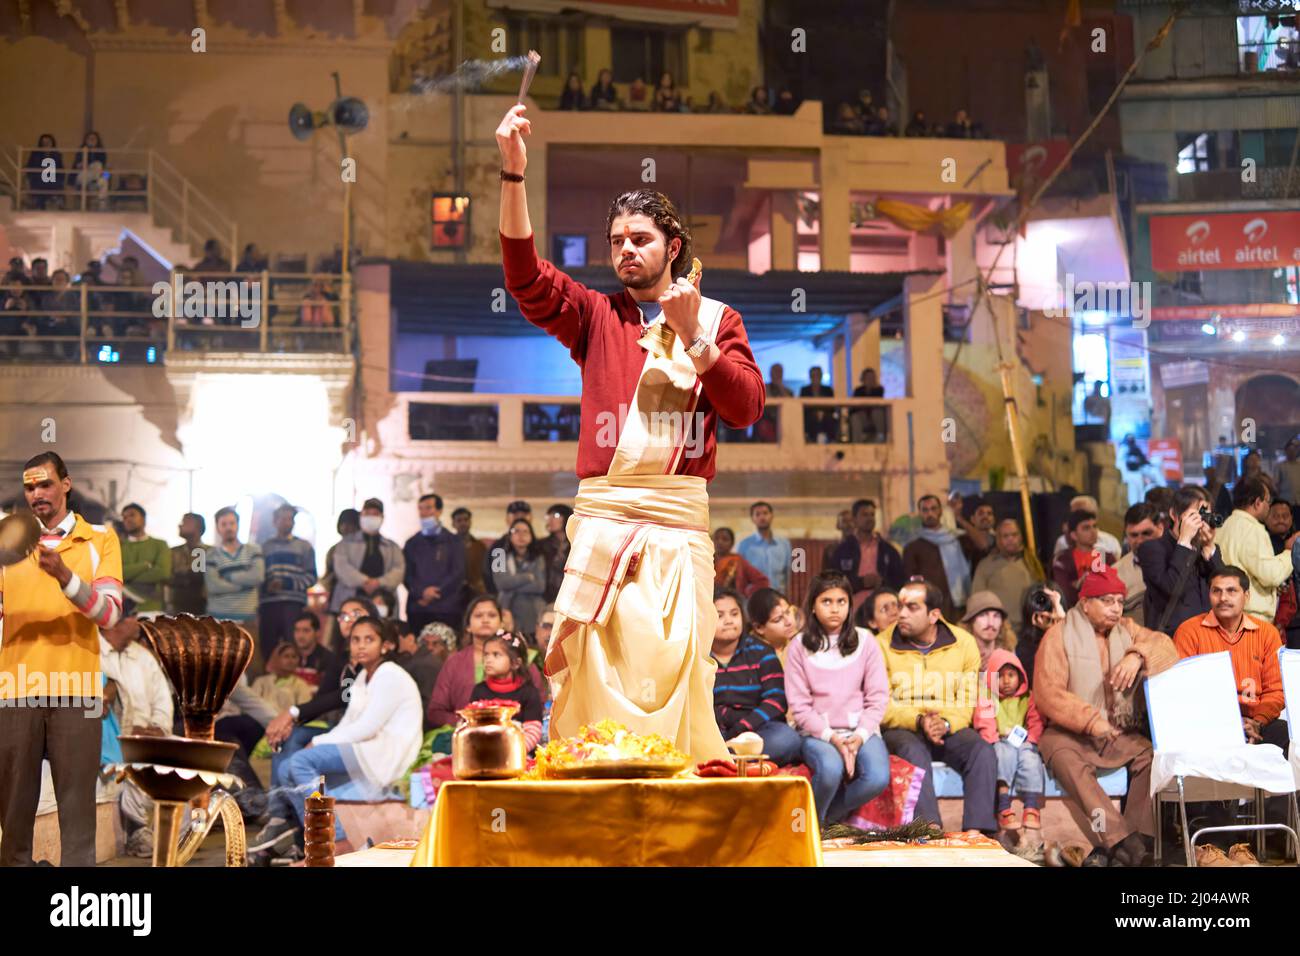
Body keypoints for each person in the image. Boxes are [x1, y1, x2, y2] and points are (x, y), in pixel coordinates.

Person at [497, 101, 764, 761]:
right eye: (616, 241)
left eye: (638, 239)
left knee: (674, 672)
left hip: (677, 530)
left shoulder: (717, 319)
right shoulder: (595, 315)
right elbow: (524, 278)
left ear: (673, 247)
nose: (624, 251)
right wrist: (512, 176)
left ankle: (674, 820)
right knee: (592, 674)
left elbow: (747, 406)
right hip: (603, 524)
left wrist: (696, 339)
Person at [0, 452, 123, 866]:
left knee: (78, 819)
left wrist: (66, 578)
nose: (37, 494)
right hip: (15, 690)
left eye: (45, 484)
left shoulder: (99, 539)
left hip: (78, 690)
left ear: (66, 484)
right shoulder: (7, 543)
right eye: (30, 487)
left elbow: (109, 613)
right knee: (13, 818)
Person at [1033, 566, 1176, 866]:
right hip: (1068, 733)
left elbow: (1166, 647)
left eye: (1120, 601)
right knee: (1065, 759)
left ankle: (1138, 841)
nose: (1115, 608)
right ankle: (1123, 842)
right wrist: (1089, 719)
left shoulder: (1127, 630)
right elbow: (1049, 694)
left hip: (1115, 732)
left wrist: (1137, 655)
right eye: (1107, 601)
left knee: (1148, 756)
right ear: (1085, 603)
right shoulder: (1058, 636)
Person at [251, 616, 422, 859]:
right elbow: (349, 722)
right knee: (287, 767)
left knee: (300, 762)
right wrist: (321, 742)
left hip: (383, 751)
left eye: (369, 640)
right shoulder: (363, 676)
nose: (361, 645)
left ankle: (337, 841)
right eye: (356, 640)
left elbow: (367, 727)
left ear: (386, 645)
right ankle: (314, 842)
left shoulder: (389, 674)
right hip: (365, 747)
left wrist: (319, 742)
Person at [877, 579, 996, 834]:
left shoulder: (963, 643)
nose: (902, 614)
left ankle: (977, 835)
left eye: (911, 607)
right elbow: (881, 704)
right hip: (903, 726)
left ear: (934, 615)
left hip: (947, 725)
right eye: (900, 606)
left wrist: (945, 723)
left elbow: (966, 701)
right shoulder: (881, 645)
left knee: (982, 751)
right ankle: (929, 832)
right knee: (912, 749)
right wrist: (919, 720)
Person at [785, 572, 892, 824]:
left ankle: (820, 822)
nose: (835, 609)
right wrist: (832, 738)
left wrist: (860, 737)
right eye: (826, 601)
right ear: (813, 605)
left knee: (877, 777)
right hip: (819, 733)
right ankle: (811, 830)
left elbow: (877, 697)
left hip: (861, 731)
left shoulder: (866, 641)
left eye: (841, 602)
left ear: (850, 605)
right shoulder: (799, 646)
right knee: (831, 770)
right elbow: (800, 706)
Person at [1173, 567, 1286, 752]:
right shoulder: (1189, 631)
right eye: (1216, 591)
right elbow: (1183, 691)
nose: (1223, 598)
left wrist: (1257, 722)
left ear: (1247, 596)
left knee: (1286, 735)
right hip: (1208, 722)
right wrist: (1226, 724)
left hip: (1257, 719)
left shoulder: (1267, 633)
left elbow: (1275, 691)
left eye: (1231, 591)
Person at [263, 597, 376, 777]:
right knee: (290, 736)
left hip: (364, 732)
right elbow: (323, 697)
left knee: (297, 753)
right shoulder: (340, 658)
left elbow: (345, 695)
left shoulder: (375, 659)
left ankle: (289, 801)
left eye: (356, 613)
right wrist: (290, 722)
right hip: (339, 727)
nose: (349, 620)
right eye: (343, 616)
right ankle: (277, 803)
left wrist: (293, 712)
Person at [99, 615, 173, 858]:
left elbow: (163, 699)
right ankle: (139, 832)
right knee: (135, 766)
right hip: (116, 737)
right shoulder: (91, 652)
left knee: (186, 761)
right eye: (132, 616)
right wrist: (129, 731)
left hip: (151, 735)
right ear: (117, 622)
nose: (138, 621)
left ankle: (178, 837)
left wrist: (159, 728)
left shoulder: (143, 656)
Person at [709, 589, 801, 764]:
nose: (729, 621)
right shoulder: (699, 657)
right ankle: (728, 756)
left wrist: (743, 726)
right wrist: (724, 718)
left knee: (787, 739)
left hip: (757, 729)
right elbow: (695, 703)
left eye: (734, 614)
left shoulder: (761, 652)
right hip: (715, 730)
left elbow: (776, 700)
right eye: (719, 616)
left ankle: (724, 758)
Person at [426, 595, 544, 727]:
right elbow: (435, 711)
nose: (485, 620)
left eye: (492, 615)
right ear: (468, 626)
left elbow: (539, 706)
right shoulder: (454, 662)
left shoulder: (522, 661)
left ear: (501, 624)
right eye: (478, 615)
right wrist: (466, 724)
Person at [973, 649, 1044, 840]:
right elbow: (984, 720)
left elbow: (1035, 720)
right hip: (999, 740)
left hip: (1023, 740)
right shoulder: (987, 697)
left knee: (1030, 757)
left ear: (1020, 676)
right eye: (1000, 676)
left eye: (1011, 675)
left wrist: (1031, 738)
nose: (1006, 681)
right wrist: (992, 739)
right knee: (1002, 755)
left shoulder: (1027, 697)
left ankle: (1031, 805)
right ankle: (1003, 807)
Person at [1139, 486, 1225, 634]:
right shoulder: (1152, 549)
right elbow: (1171, 589)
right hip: (1172, 640)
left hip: (1208, 637)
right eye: (1195, 515)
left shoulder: (1204, 550)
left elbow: (1224, 586)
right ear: (1174, 514)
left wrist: (1209, 547)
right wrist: (1184, 541)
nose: (1200, 522)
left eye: (1205, 515)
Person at [1215, 475, 1296, 624]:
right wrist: (1289, 551)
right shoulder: (1252, 529)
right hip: (1251, 617)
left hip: (1228, 613)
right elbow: (1270, 575)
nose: (1268, 506)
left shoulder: (1224, 527)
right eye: (1268, 501)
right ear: (1258, 502)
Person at [258, 503, 317, 659]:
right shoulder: (265, 547)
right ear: (274, 522)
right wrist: (267, 586)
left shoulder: (304, 547)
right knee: (268, 646)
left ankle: (294, 680)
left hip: (294, 604)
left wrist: (287, 583)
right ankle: (269, 680)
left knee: (293, 645)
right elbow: (258, 576)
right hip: (269, 604)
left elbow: (311, 577)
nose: (287, 522)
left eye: (290, 519)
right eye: (283, 518)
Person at [469, 632, 544, 751]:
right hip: (483, 753)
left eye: (496, 655)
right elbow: (470, 726)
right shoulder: (479, 691)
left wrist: (514, 752)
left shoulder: (529, 692)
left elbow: (533, 730)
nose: (488, 660)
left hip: (518, 756)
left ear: (515, 663)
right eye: (486, 655)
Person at [902, 493, 973, 619]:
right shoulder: (913, 547)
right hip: (932, 607)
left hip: (960, 604)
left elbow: (982, 546)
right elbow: (910, 581)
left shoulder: (957, 539)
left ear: (940, 511)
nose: (930, 513)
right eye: (925, 510)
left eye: (933, 508)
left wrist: (959, 517)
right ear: (920, 513)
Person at [403, 492, 466, 633]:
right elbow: (407, 575)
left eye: (428, 508)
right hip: (419, 608)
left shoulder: (454, 542)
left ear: (439, 511)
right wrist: (421, 593)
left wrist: (437, 592)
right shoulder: (412, 544)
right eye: (421, 508)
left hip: (447, 608)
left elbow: (458, 572)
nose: (424, 513)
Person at [330, 498, 404, 615]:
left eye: (375, 514)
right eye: (367, 514)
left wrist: (379, 582)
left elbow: (399, 570)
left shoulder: (392, 547)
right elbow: (341, 567)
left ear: (382, 517)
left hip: (383, 602)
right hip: (350, 599)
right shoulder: (345, 544)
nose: (371, 517)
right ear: (361, 516)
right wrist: (364, 581)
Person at [828, 498, 905, 607]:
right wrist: (861, 583)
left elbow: (899, 581)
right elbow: (833, 584)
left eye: (872, 515)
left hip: (883, 609)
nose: (869, 518)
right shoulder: (842, 551)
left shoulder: (888, 550)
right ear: (854, 519)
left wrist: (882, 583)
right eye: (865, 515)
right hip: (851, 610)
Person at [204, 507, 264, 636]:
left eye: (232, 523)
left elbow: (258, 577)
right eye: (224, 524)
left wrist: (228, 576)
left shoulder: (253, 550)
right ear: (217, 527)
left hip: (247, 619)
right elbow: (213, 586)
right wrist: (245, 584)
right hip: (218, 620)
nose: (228, 528)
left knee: (251, 655)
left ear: (238, 525)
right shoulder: (210, 555)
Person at [970, 517, 1036, 632]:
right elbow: (977, 601)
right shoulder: (986, 565)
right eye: (1005, 536)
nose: (1010, 539)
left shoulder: (1032, 562)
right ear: (998, 539)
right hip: (1000, 631)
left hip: (1030, 630)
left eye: (1014, 535)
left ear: (1021, 537)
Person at [1051, 509, 1117, 608]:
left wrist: (1077, 585)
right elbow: (1064, 594)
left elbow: (1114, 589)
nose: (1093, 531)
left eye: (1095, 526)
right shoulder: (1063, 560)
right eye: (1086, 528)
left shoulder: (1106, 557)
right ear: (1074, 535)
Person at [493, 519, 547, 638]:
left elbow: (539, 586)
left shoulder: (538, 557)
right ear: (509, 535)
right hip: (507, 609)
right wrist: (527, 577)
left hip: (532, 612)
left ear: (532, 536)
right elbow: (500, 583)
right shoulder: (498, 555)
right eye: (516, 531)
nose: (521, 535)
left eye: (525, 532)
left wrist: (511, 583)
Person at [118, 502, 171, 613]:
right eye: (124, 517)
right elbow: (117, 574)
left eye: (132, 515)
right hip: (124, 612)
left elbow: (163, 572)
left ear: (143, 519)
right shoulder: (118, 546)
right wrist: (144, 566)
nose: (127, 519)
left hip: (153, 609)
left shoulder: (160, 544)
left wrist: (127, 579)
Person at [1016, 583, 1065, 688]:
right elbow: (1038, 681)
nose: (1044, 605)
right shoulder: (1024, 646)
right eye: (1040, 600)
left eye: (1050, 600)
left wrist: (1062, 623)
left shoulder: (1069, 632)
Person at [738, 500, 792, 594]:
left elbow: (788, 574)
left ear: (771, 516)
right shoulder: (744, 545)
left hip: (778, 596)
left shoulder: (784, 544)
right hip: (754, 597)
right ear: (752, 519)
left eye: (765, 513)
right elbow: (741, 576)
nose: (762, 517)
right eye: (757, 514)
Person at [394, 620, 442, 725]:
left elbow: (428, 706)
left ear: (410, 639)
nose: (391, 645)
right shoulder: (407, 661)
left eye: (395, 640)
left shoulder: (425, 664)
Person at [483, 500, 532, 594]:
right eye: (516, 515)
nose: (520, 518)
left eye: (524, 515)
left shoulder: (536, 546)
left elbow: (541, 584)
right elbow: (497, 582)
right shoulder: (499, 548)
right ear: (507, 519)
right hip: (504, 603)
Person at [1050, 496, 1122, 560]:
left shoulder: (1110, 541)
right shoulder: (1062, 543)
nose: (1083, 517)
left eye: (1088, 515)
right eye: (1077, 514)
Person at [961, 590, 1017, 671]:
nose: (991, 623)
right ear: (971, 621)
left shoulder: (1008, 650)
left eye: (996, 616)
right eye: (983, 615)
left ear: (1002, 622)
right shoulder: (959, 654)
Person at [251, 643, 315, 711]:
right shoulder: (261, 682)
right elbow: (252, 706)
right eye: (286, 656)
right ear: (277, 659)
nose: (290, 661)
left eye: (294, 657)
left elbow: (304, 710)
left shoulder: (301, 685)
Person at [290, 611, 342, 693]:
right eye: (297, 630)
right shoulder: (287, 655)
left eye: (306, 631)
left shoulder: (328, 659)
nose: (300, 635)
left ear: (317, 633)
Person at [746, 587, 798, 666]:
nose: (789, 622)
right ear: (759, 628)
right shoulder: (751, 656)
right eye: (778, 619)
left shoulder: (800, 641)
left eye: (788, 612)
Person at [320, 508, 360, 610]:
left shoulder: (364, 549)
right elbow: (327, 577)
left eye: (351, 524)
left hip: (360, 597)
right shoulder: (334, 550)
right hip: (337, 600)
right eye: (343, 524)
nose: (346, 527)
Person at [713, 526, 770, 597]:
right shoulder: (707, 560)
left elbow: (763, 580)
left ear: (732, 543)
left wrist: (746, 592)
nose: (720, 542)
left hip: (732, 601)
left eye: (725, 539)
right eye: (716, 539)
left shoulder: (738, 561)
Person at [169, 511, 207, 614]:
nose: (180, 525)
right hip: (177, 607)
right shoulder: (173, 551)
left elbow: (201, 577)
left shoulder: (210, 552)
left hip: (204, 608)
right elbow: (168, 577)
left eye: (185, 522)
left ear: (198, 527)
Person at [537, 503, 572, 603]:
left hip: (569, 594)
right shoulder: (541, 545)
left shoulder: (575, 544)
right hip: (546, 596)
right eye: (548, 516)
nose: (550, 519)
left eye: (556, 515)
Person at [452, 507, 488, 599]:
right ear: (453, 524)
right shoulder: (446, 547)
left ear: (470, 522)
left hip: (476, 595)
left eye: (466, 520)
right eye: (459, 520)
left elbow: (487, 571)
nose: (463, 523)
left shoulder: (480, 546)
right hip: (453, 596)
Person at [799, 366, 837, 443]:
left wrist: (822, 413)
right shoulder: (804, 390)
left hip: (826, 415)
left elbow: (831, 406)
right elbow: (802, 407)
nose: (816, 377)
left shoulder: (828, 390)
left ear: (821, 376)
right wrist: (815, 413)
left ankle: (832, 441)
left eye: (818, 375)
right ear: (810, 377)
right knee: (810, 418)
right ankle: (811, 441)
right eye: (813, 375)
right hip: (810, 416)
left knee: (830, 419)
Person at [26, 133, 65, 210]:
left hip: (53, 179)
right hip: (38, 178)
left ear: (52, 143)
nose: (46, 144)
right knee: (39, 186)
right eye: (44, 142)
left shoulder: (57, 154)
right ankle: (39, 205)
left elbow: (61, 169)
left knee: (56, 184)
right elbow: (30, 167)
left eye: (48, 142)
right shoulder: (35, 153)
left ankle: (55, 202)